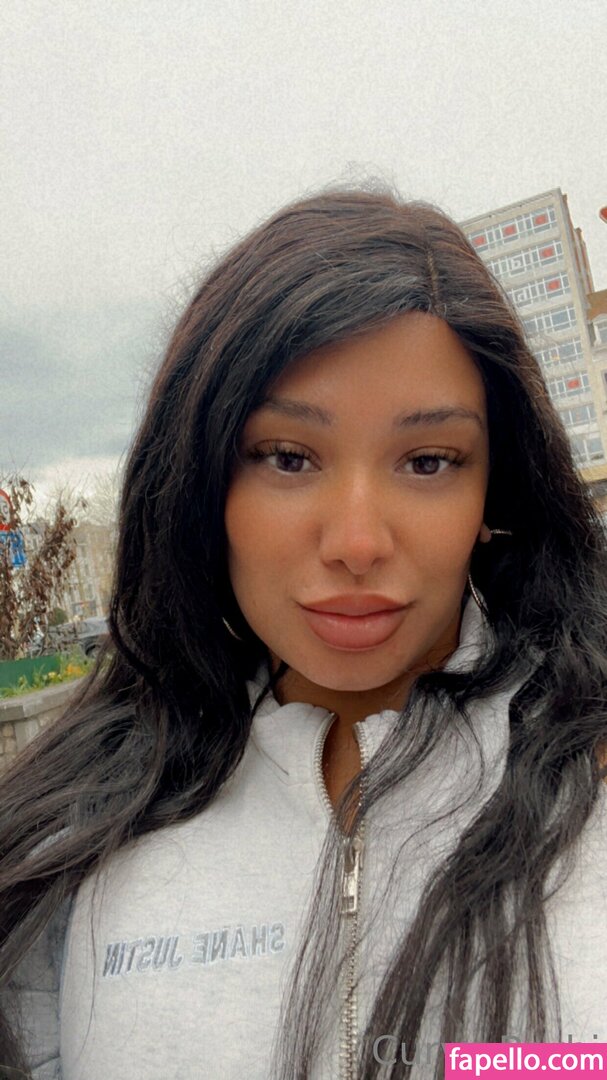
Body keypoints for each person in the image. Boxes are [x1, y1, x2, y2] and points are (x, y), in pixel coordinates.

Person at [1, 186, 607, 1080]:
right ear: (203, 483)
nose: (357, 542)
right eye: (287, 458)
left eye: (427, 461)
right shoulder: (69, 842)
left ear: (494, 489)